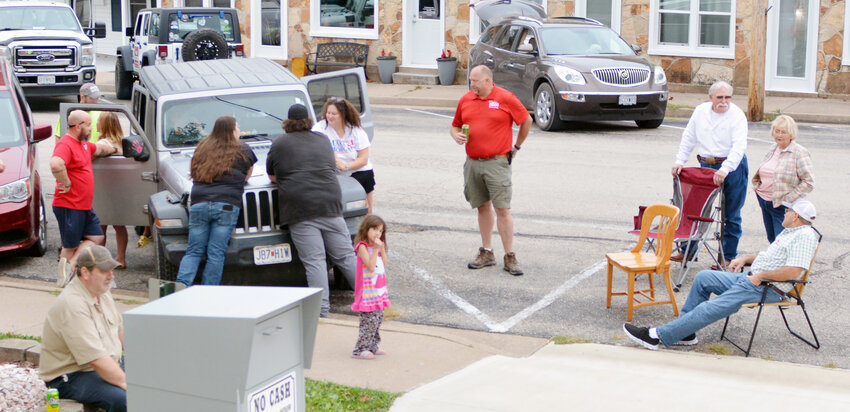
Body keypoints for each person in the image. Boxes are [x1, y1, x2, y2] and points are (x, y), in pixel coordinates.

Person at [623, 199, 819, 351]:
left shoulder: (804, 236)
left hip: (766, 287)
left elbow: (794, 271)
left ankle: (657, 335)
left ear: (795, 215)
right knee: (704, 278)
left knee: (709, 307)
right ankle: (685, 333)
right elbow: (772, 258)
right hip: (753, 279)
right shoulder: (791, 232)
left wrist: (760, 277)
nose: (783, 213)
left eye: (787, 211)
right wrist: (746, 259)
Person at [266, 104, 357, 318]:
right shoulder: (322, 139)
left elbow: (272, 175)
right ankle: (373, 302)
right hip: (330, 204)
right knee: (345, 256)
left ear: (287, 122)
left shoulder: (279, 143)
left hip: (301, 208)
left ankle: (322, 311)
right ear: (308, 121)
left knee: (315, 260)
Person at [450, 65, 531, 276]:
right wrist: (455, 135)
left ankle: (510, 256)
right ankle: (487, 252)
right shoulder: (466, 99)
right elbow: (455, 125)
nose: (472, 84)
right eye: (470, 81)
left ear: (488, 81)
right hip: (473, 162)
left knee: (502, 209)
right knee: (482, 206)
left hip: (497, 162)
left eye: (475, 81)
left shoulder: (505, 98)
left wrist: (517, 147)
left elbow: (526, 120)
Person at [40, 245, 126, 412]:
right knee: (125, 399)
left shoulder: (103, 292)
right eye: (104, 271)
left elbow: (120, 332)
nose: (111, 276)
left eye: (112, 270)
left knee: (155, 377)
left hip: (105, 363)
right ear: (85, 272)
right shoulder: (72, 304)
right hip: (72, 375)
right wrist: (128, 383)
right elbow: (96, 359)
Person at [671, 81, 748, 268]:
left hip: (732, 165)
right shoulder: (700, 111)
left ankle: (727, 257)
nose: (724, 101)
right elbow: (689, 137)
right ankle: (687, 251)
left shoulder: (737, 115)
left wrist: (725, 169)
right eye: (720, 97)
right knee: (694, 208)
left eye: (727, 97)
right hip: (706, 163)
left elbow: (739, 146)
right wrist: (680, 161)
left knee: (732, 214)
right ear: (711, 97)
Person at [175, 116, 257, 286]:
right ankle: (208, 292)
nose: (240, 131)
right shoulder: (243, 149)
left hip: (199, 204)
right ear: (232, 130)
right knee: (216, 253)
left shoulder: (203, 147)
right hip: (226, 205)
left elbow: (194, 170)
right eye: (238, 127)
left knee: (193, 251)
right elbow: (247, 175)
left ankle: (181, 287)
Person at [51, 110, 118, 287]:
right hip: (69, 204)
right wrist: (65, 182)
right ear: (78, 126)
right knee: (70, 246)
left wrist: (115, 148)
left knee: (96, 237)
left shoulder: (85, 145)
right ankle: (63, 284)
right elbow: (56, 163)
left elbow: (101, 149)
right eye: (88, 125)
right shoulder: (66, 144)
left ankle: (69, 268)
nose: (91, 128)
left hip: (83, 205)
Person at [752, 115, 814, 243]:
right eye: (777, 131)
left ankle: (784, 263)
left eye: (783, 132)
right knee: (771, 239)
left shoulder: (799, 152)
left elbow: (808, 182)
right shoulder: (773, 148)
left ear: (791, 134)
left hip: (781, 205)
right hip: (765, 200)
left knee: (781, 241)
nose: (779, 135)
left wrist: (787, 200)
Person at [312, 97, 376, 214]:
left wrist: (345, 166)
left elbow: (363, 159)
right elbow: (313, 146)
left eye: (334, 114)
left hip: (357, 170)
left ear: (343, 115)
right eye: (328, 113)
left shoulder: (356, 131)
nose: (330, 116)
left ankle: (368, 216)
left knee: (364, 201)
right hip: (333, 171)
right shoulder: (320, 128)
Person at [350, 215, 391, 360]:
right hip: (367, 292)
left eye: (380, 231)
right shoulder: (362, 247)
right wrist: (375, 251)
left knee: (378, 319)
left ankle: (373, 345)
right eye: (374, 229)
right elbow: (370, 266)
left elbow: (384, 262)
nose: (377, 234)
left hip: (378, 291)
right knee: (369, 321)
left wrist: (381, 249)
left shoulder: (376, 247)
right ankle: (360, 348)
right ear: (366, 229)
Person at [94, 112, 128, 268]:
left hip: (105, 189)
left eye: (99, 121)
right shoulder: (122, 143)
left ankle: (101, 259)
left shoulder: (105, 143)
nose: (96, 124)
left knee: (101, 225)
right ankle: (121, 257)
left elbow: (92, 154)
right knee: (119, 225)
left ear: (104, 125)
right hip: (120, 188)